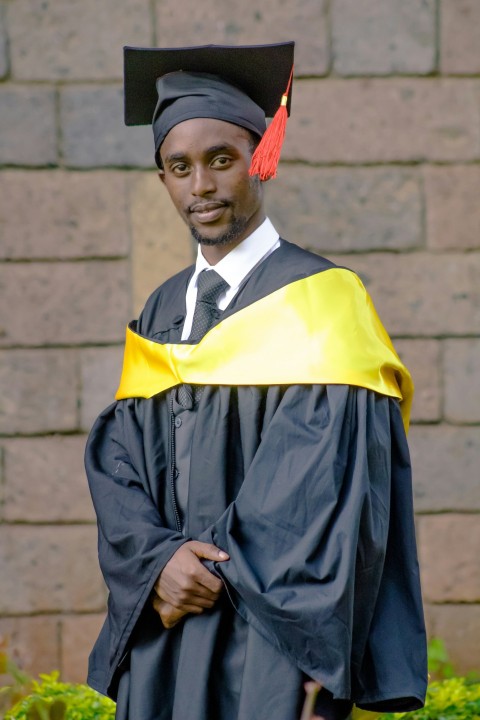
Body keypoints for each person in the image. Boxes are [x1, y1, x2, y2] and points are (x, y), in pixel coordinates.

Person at [85, 42, 428, 720]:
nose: (201, 186)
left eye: (221, 160)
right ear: (162, 179)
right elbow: (121, 457)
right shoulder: (161, 309)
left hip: (272, 640)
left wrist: (202, 569)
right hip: (169, 619)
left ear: (259, 160)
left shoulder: (324, 300)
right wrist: (158, 563)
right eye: (179, 167)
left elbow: (323, 491)